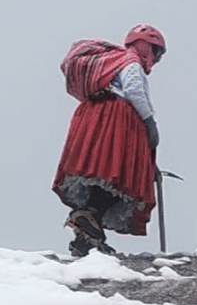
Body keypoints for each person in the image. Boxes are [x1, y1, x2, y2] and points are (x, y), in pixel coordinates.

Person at [52, 24, 166, 256]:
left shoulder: (112, 65)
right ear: (146, 45)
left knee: (101, 176)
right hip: (117, 119)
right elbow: (133, 90)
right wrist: (149, 122)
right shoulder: (129, 61)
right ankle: (89, 220)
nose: (156, 58)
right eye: (156, 51)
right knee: (116, 174)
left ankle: (87, 237)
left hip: (94, 118)